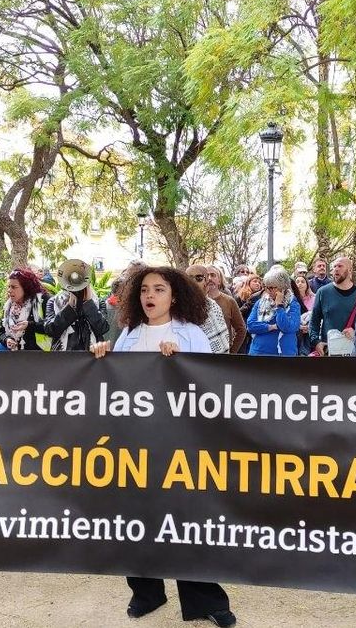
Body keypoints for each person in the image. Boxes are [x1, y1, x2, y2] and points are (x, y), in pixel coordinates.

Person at [88, 268, 236, 628]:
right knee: (135, 520)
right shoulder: (128, 334)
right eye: (144, 290)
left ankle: (205, 600)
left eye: (159, 289)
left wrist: (180, 361)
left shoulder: (192, 334)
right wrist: (103, 354)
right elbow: (115, 388)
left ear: (174, 295)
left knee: (186, 522)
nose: (149, 295)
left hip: (180, 446)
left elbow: (209, 384)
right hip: (134, 444)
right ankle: (146, 592)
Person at [44, 259, 109, 352]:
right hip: (63, 357)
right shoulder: (54, 301)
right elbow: (50, 330)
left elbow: (103, 328)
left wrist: (88, 303)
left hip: (92, 356)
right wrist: (70, 307)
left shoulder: (98, 302)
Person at [309, 257, 356, 356]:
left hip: (354, 354)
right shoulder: (323, 292)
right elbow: (313, 322)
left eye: (340, 266)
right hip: (328, 353)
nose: (336, 269)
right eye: (334, 266)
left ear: (349, 270)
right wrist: (316, 342)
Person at [245, 267, 302, 356]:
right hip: (258, 353)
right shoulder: (260, 302)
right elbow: (250, 326)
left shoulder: (293, 304)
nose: (268, 291)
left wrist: (279, 306)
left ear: (282, 287)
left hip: (283, 356)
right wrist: (272, 327)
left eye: (271, 288)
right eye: (266, 287)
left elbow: (287, 327)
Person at [186, 264, 231, 354]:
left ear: (206, 282)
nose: (193, 282)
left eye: (198, 278)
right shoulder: (180, 307)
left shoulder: (214, 307)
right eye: (189, 278)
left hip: (217, 362)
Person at [0, 268, 46, 351]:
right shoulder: (8, 306)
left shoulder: (41, 301)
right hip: (15, 359)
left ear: (25, 288)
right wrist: (7, 340)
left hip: (39, 358)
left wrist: (30, 325)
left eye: (14, 287)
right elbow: (1, 332)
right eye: (9, 286)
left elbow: (53, 327)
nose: (9, 290)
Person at [208, 266, 247, 353]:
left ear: (219, 280)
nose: (209, 278)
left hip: (223, 354)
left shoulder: (229, 301)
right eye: (207, 276)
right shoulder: (197, 301)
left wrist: (232, 352)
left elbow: (241, 329)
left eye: (213, 275)